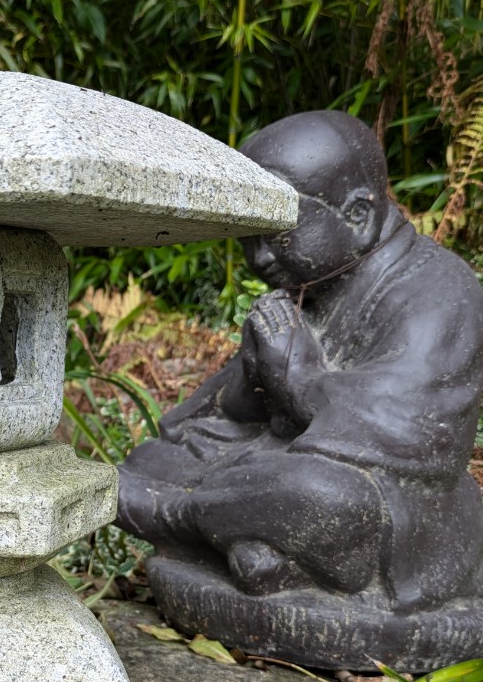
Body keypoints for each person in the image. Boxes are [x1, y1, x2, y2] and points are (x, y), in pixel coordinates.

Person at [117, 110, 483, 612]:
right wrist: (256, 372)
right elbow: (224, 417)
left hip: (393, 508)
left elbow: (416, 430)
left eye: (278, 234)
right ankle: (263, 549)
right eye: (249, 239)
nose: (259, 258)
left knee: (314, 494)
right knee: (153, 460)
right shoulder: (307, 285)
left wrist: (302, 379)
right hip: (268, 462)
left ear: (357, 216)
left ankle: (179, 516)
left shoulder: (441, 288)